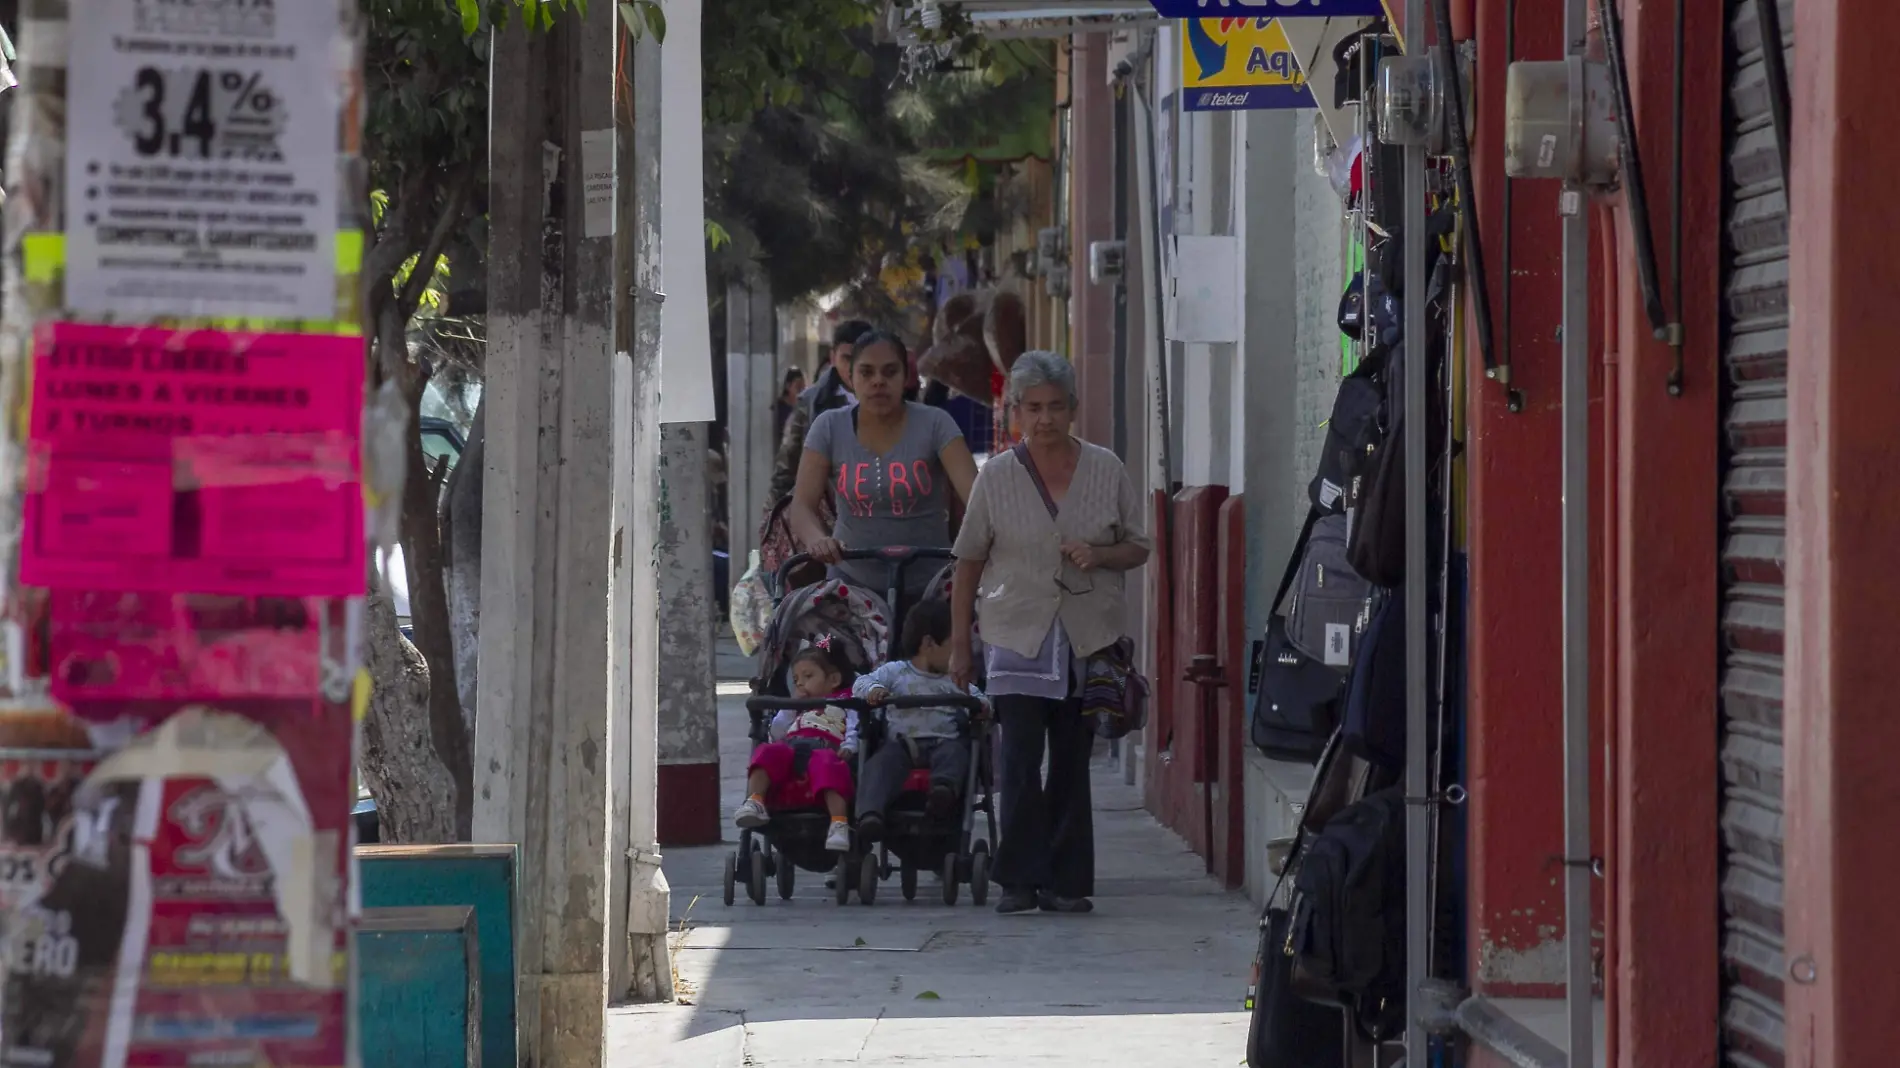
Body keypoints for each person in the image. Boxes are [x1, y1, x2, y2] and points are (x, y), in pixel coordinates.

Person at [948, 350, 1151, 916]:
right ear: (1015, 411)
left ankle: (1065, 881)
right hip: (1017, 632)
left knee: (1070, 759)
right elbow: (967, 562)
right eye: (1032, 408)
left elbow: (1139, 545)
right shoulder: (997, 477)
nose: (1044, 420)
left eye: (1055, 407)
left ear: (1073, 409)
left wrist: (1100, 552)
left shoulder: (1106, 469)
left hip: (1087, 638)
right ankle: (1017, 880)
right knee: (1017, 760)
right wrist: (962, 645)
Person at [789, 330, 979, 604]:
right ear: (850, 378)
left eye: (890, 372)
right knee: (822, 644)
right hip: (848, 589)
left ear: (906, 378)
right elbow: (802, 506)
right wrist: (818, 540)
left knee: (946, 646)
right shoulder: (828, 427)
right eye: (866, 373)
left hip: (932, 589)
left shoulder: (937, 423)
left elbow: (976, 499)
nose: (878, 381)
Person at [851, 599, 983, 843]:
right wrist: (875, 690)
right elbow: (860, 683)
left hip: (943, 742)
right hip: (902, 744)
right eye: (954, 646)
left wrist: (983, 708)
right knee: (880, 764)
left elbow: (978, 699)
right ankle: (870, 815)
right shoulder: (895, 671)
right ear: (928, 643)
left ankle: (942, 792)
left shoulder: (954, 679)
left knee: (956, 753)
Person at [735, 647, 859, 853]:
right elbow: (777, 732)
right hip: (792, 747)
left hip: (825, 747)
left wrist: (849, 746)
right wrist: (791, 706)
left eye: (808, 676)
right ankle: (755, 800)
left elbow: (856, 727)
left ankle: (839, 822)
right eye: (796, 679)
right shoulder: (796, 707)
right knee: (767, 751)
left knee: (829, 765)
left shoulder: (846, 702)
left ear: (834, 679)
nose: (800, 683)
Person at [767, 319, 874, 508]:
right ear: (833, 357)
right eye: (847, 358)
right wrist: (773, 523)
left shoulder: (890, 400)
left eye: (861, 358)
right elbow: (785, 470)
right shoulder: (810, 404)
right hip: (823, 519)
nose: (853, 368)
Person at [774, 367, 807, 442]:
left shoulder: (803, 409)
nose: (802, 393)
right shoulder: (777, 410)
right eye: (798, 387)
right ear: (788, 386)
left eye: (803, 388)